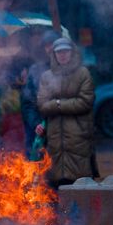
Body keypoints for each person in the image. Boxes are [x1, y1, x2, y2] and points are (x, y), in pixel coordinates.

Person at [36, 37, 95, 187]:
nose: (62, 55)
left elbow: (85, 102)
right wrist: (66, 104)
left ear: (72, 52)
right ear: (54, 54)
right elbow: (42, 104)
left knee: (79, 186)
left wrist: (57, 104)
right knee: (55, 188)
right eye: (59, 52)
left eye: (66, 51)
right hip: (54, 141)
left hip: (78, 139)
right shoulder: (47, 76)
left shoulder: (83, 73)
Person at [21, 30, 59, 160]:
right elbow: (28, 103)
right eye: (47, 45)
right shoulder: (36, 70)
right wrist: (36, 123)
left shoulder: (72, 70)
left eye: (53, 44)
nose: (50, 48)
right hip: (43, 131)